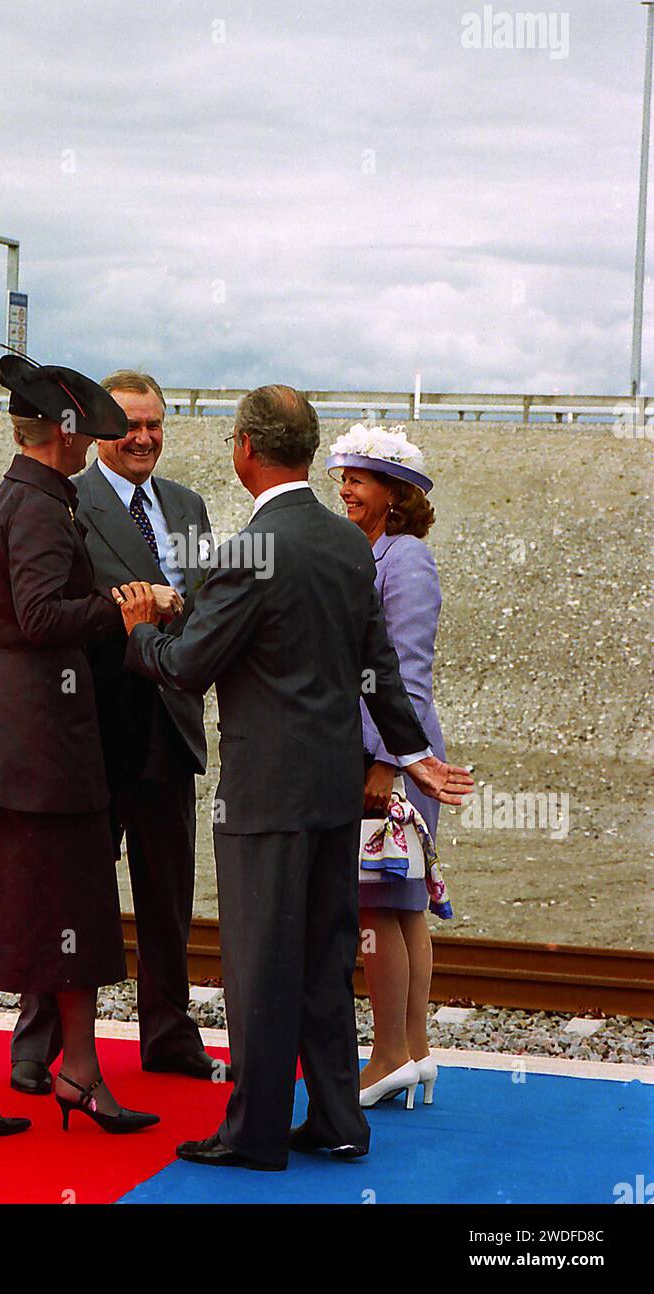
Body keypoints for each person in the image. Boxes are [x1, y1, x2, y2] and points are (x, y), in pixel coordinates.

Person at [115, 386, 474, 1171]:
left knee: (258, 963)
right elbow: (380, 669)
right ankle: (341, 1121)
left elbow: (187, 668)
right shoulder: (349, 544)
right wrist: (415, 760)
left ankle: (253, 1133)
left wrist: (141, 632)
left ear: (244, 447)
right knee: (322, 959)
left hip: (264, 795)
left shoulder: (250, 548)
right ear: (310, 454)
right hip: (333, 791)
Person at [0, 353, 168, 1140]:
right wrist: (126, 607)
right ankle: (80, 1074)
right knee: (77, 900)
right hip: (37, 741)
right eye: (83, 432)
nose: (93, 444)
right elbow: (40, 618)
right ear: (59, 436)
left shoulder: (21, 496)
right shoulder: (39, 507)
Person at [11, 370, 229, 1090]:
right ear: (103, 428)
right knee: (70, 893)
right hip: (95, 730)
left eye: (155, 425)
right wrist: (132, 613)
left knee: (168, 900)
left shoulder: (190, 509)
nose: (143, 438)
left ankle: (169, 1034)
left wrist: (182, 624)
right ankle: (36, 1045)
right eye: (130, 425)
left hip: (169, 728)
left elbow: (209, 612)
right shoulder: (67, 503)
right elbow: (57, 609)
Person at [327, 423, 445, 1108]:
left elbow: (407, 670)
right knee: (402, 906)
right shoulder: (368, 551)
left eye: (359, 478)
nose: (344, 488)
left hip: (394, 757)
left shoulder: (406, 560)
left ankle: (389, 1055)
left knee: (381, 903)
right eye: (343, 476)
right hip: (394, 754)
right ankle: (416, 1053)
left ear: (394, 495)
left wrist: (385, 762)